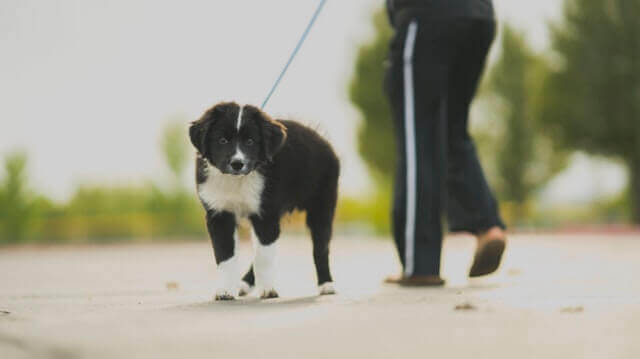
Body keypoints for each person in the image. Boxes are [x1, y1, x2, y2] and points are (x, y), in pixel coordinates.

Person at [383, 0, 507, 286]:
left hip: (426, 16)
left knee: (418, 136)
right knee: (453, 131)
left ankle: (420, 264)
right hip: (479, 17)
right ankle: (487, 226)